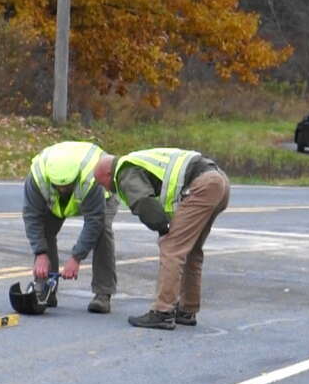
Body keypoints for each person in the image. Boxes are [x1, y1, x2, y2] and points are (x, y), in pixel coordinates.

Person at [93, 148, 230, 329]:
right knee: (192, 250)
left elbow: (144, 203)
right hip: (219, 182)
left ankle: (162, 312)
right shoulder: (139, 160)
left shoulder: (124, 171)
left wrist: (163, 227)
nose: (103, 188)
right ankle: (187, 309)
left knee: (171, 247)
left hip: (203, 185)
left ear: (108, 173)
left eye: (100, 182)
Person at [23, 141, 118, 313]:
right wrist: (40, 253)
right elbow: (31, 216)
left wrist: (76, 258)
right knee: (44, 229)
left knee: (102, 231)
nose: (62, 189)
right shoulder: (37, 176)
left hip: (100, 197)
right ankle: (45, 289)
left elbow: (94, 221)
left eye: (67, 186)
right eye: (58, 186)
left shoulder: (91, 178)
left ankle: (103, 294)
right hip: (54, 203)